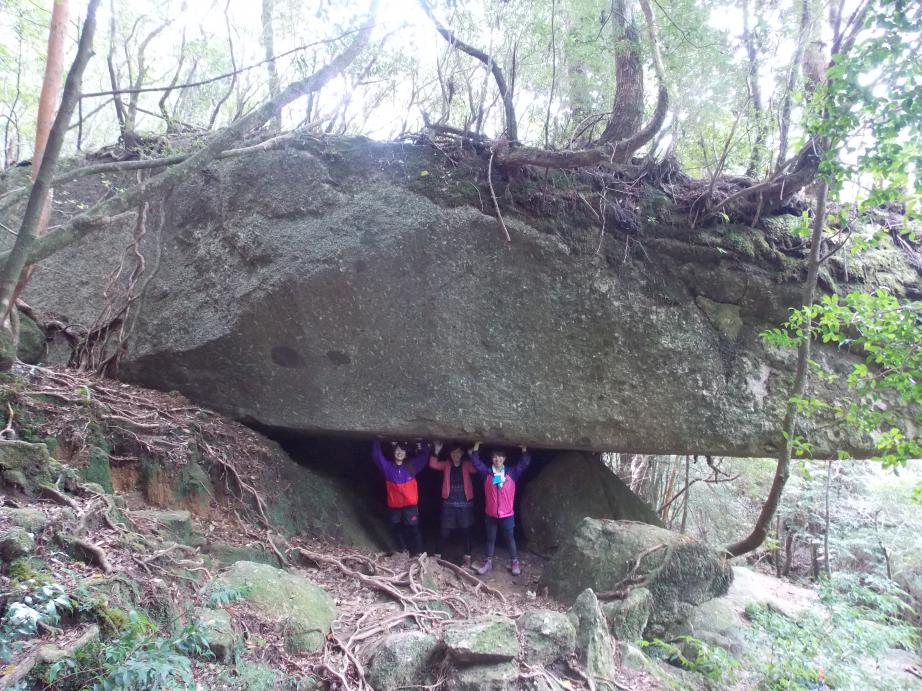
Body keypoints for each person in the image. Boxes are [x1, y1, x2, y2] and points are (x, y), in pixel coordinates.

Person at [470, 441, 530, 576]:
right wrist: (476, 447)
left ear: (504, 458)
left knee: (510, 539)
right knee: (490, 539)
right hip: (491, 514)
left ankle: (515, 562)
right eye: (495, 457)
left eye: (500, 457)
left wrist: (525, 450)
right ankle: (488, 563)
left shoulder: (511, 473)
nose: (498, 460)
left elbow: (524, 464)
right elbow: (476, 463)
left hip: (507, 514)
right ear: (492, 459)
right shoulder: (487, 473)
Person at [371, 438, 430, 555]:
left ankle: (419, 552)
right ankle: (403, 551)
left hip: (410, 506)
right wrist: (376, 440)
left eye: (403, 451)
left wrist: (423, 442)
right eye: (398, 450)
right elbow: (377, 456)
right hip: (395, 506)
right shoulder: (387, 468)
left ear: (406, 453)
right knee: (396, 528)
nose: (400, 453)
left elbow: (424, 456)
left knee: (413, 529)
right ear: (394, 452)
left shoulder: (411, 466)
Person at [428, 441, 477, 567]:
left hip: (465, 503)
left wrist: (473, 455)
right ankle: (437, 556)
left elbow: (476, 468)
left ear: (461, 454)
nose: (456, 455)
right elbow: (433, 464)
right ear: (450, 454)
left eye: (458, 453)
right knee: (444, 531)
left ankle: (467, 557)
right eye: (453, 453)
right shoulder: (446, 464)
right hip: (449, 503)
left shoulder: (466, 465)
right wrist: (436, 451)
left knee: (467, 531)